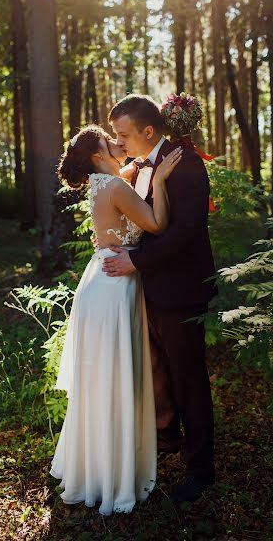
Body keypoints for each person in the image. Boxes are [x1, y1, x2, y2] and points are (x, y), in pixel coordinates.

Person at [49, 125, 182, 515]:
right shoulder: (115, 186)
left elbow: (125, 175)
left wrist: (141, 164)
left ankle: (97, 466)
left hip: (100, 279)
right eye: (111, 141)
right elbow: (156, 225)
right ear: (97, 155)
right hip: (115, 282)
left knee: (102, 379)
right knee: (116, 378)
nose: (119, 142)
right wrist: (158, 179)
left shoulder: (104, 182)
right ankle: (112, 476)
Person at [103, 94, 217, 502]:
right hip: (151, 289)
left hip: (181, 289)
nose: (120, 143)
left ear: (148, 131)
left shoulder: (185, 162)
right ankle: (168, 438)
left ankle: (201, 469)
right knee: (160, 372)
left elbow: (186, 230)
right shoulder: (140, 167)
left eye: (124, 135)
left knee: (189, 378)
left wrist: (136, 261)